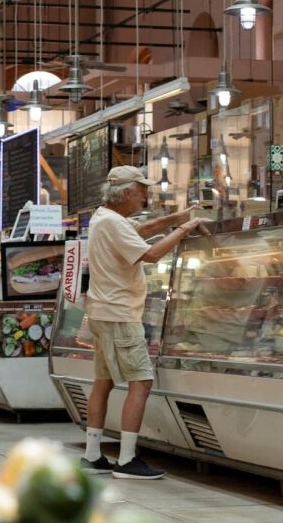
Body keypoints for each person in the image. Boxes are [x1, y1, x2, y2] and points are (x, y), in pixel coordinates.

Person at [81, 165, 206, 480]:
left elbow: (138, 232)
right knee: (141, 381)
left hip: (102, 311)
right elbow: (150, 255)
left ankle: (93, 455)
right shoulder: (113, 222)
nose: (145, 195)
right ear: (125, 193)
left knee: (104, 381)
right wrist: (184, 230)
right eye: (141, 190)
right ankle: (126, 460)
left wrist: (175, 219)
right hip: (120, 314)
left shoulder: (103, 219)